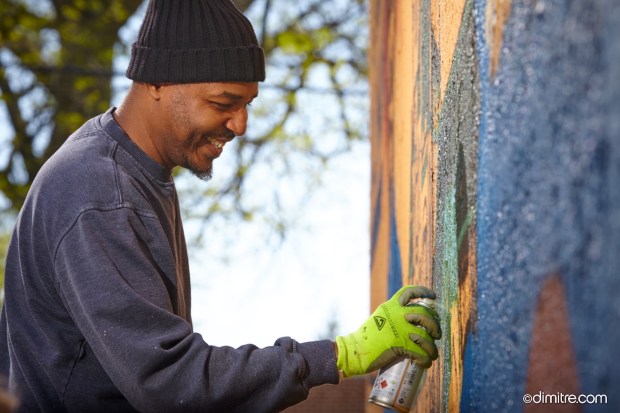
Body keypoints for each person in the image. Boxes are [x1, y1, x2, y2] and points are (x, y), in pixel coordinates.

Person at [0, 0, 442, 412]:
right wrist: (342, 355)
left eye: (247, 104)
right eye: (223, 103)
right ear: (156, 80)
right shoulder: (100, 195)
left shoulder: (130, 173)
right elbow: (170, 382)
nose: (241, 125)